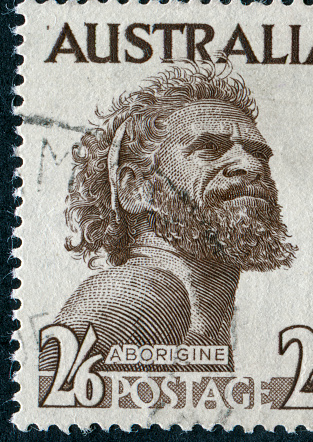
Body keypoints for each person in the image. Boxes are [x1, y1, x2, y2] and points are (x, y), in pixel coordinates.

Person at [40, 62, 297, 372]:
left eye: (258, 154)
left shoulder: (202, 324)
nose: (251, 165)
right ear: (135, 189)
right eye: (209, 149)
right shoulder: (146, 292)